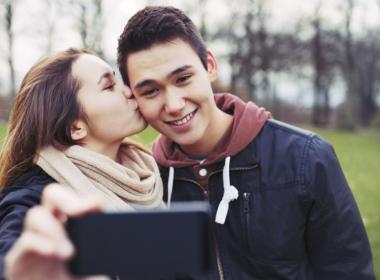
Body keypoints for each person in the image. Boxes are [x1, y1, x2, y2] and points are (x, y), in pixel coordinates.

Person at [116, 6, 375, 279]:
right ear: (133, 97)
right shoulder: (143, 182)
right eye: (151, 91)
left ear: (210, 66)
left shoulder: (305, 158)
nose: (174, 105)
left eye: (183, 79)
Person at [0, 48, 164, 279]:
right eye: (108, 86)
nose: (129, 90)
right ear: (76, 127)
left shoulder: (151, 175)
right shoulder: (39, 200)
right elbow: (13, 251)